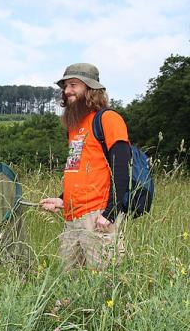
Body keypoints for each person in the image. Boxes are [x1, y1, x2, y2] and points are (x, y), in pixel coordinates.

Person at [40, 63, 131, 271]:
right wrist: (62, 199)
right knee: (69, 283)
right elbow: (78, 169)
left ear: (91, 89)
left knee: (104, 283)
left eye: (73, 85)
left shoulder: (109, 119)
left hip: (97, 216)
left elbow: (121, 169)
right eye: (65, 86)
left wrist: (109, 212)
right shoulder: (75, 127)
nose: (67, 91)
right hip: (72, 218)